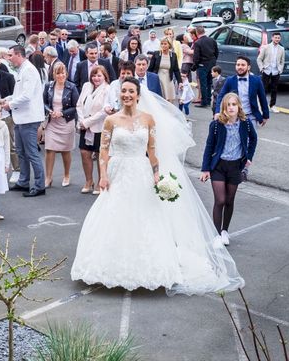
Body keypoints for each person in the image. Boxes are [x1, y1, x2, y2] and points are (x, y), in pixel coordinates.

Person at [71, 76, 244, 294]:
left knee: (146, 216)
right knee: (115, 214)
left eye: (131, 91)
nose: (127, 95)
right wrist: (103, 175)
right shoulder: (111, 120)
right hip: (118, 173)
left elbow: (152, 152)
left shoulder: (148, 119)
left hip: (141, 172)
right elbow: (103, 150)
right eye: (123, 91)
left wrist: (157, 176)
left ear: (138, 95)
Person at [200, 93, 257, 245]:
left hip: (235, 166)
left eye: (234, 104)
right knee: (220, 200)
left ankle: (225, 231)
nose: (231, 107)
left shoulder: (246, 123)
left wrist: (249, 157)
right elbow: (209, 146)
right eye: (228, 105)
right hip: (218, 166)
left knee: (230, 201)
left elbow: (254, 139)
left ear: (238, 106)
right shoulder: (217, 124)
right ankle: (217, 235)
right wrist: (205, 169)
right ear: (224, 108)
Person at [2, 45, 46, 197]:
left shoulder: (28, 70)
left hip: (29, 118)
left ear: (18, 55)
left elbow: (27, 96)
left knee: (31, 152)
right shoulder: (22, 69)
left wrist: (10, 104)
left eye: (10, 55)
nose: (8, 58)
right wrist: (7, 100)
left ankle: (40, 185)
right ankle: (24, 181)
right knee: (21, 151)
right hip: (21, 117)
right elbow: (19, 93)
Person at [43, 62, 79, 188]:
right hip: (52, 122)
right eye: (58, 73)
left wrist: (62, 113)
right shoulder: (48, 86)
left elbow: (76, 106)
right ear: (54, 74)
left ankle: (67, 175)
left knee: (65, 150)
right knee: (49, 150)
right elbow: (44, 103)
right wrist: (50, 111)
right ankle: (48, 177)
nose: (60, 75)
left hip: (67, 122)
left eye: (63, 73)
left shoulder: (72, 87)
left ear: (66, 74)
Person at [76, 65, 110, 195]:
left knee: (99, 154)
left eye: (99, 75)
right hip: (85, 125)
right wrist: (82, 120)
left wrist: (88, 122)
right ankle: (88, 181)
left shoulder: (107, 89)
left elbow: (104, 111)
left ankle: (100, 181)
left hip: (99, 126)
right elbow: (79, 104)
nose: (96, 78)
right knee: (85, 153)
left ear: (104, 76)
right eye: (94, 75)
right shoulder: (86, 86)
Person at [216, 55, 269, 128]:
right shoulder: (230, 80)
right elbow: (221, 97)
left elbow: (262, 98)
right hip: (233, 116)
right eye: (238, 65)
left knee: (251, 139)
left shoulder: (256, 80)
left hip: (251, 116)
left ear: (249, 67)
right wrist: (218, 112)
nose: (240, 67)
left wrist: (265, 115)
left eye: (243, 65)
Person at [257, 33, 285, 113]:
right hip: (266, 70)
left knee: (274, 89)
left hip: (276, 71)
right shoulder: (266, 47)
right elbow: (259, 59)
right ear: (272, 38)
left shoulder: (282, 49)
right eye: (275, 38)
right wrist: (261, 68)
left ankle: (272, 105)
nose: (277, 39)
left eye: (278, 38)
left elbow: (282, 61)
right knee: (263, 89)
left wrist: (280, 69)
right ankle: (262, 106)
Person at [192, 26, 219, 107]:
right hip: (211, 63)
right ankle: (208, 99)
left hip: (202, 64)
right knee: (209, 82)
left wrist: (194, 66)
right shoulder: (212, 40)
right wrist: (213, 61)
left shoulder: (198, 43)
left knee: (203, 83)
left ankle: (204, 102)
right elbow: (216, 52)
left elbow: (196, 57)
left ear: (197, 33)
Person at [149, 37, 181, 103]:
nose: (163, 45)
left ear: (169, 45)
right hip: (158, 78)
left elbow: (176, 70)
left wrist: (180, 82)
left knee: (169, 100)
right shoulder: (156, 54)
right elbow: (150, 68)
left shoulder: (173, 55)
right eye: (162, 44)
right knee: (159, 98)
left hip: (168, 79)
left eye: (165, 44)